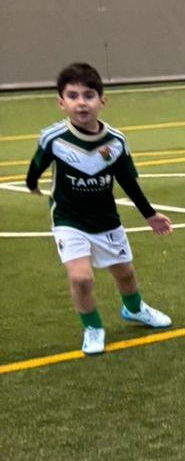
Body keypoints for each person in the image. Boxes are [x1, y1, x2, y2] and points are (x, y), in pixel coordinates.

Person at [24, 62, 173, 355]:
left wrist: (150, 214)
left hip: (106, 220)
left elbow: (128, 181)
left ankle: (134, 309)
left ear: (102, 101)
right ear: (61, 102)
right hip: (69, 219)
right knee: (81, 278)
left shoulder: (115, 142)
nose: (82, 102)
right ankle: (92, 328)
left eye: (89, 95)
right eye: (73, 95)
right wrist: (31, 183)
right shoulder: (53, 138)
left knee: (125, 274)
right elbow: (37, 163)